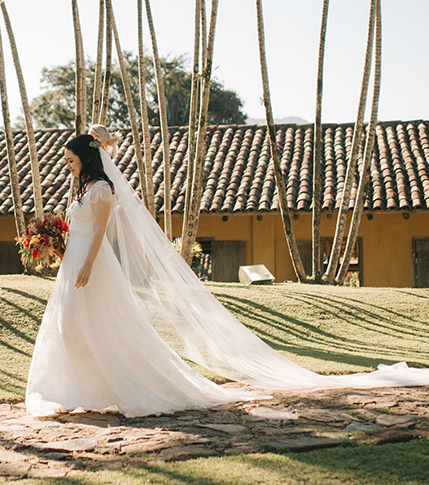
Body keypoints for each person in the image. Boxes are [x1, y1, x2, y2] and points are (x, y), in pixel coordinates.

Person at [26, 125, 429, 418]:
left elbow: (98, 232)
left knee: (97, 326)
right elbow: (79, 227)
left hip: (91, 266)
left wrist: (87, 265)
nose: (66, 165)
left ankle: (116, 386)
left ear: (87, 159)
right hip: (72, 265)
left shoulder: (101, 190)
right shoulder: (81, 188)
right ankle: (80, 389)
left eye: (70, 158)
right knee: (69, 326)